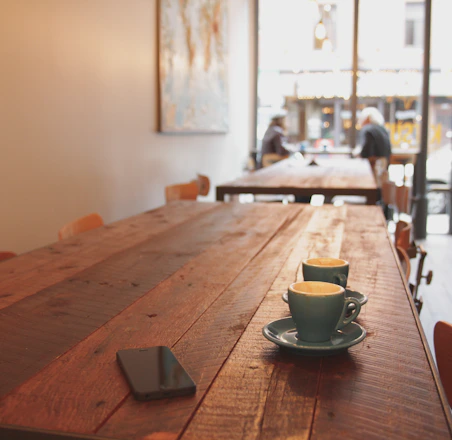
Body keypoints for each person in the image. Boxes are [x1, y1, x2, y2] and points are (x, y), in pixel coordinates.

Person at [358, 107, 392, 187]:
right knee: (381, 187)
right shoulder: (382, 129)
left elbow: (366, 150)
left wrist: (360, 155)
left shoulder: (367, 129)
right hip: (384, 162)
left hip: (374, 163)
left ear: (367, 118)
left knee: (373, 187)